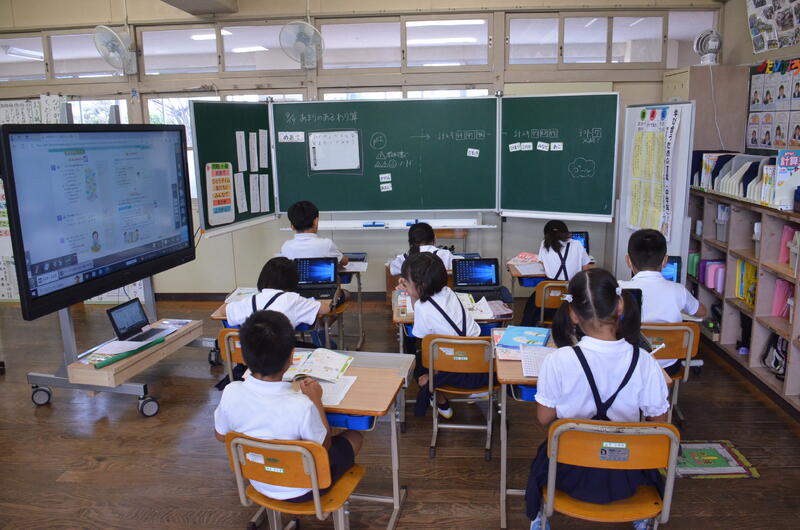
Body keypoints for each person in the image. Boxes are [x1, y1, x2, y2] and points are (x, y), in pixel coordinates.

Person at [525, 268, 669, 530]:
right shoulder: (645, 362)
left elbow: (544, 419)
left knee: (543, 457)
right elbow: (659, 424)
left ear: (573, 314)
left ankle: (539, 518)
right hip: (628, 475)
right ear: (620, 304)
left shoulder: (558, 360)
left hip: (568, 473)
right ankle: (642, 516)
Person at [214, 310, 363, 503]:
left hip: (257, 479)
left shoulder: (231, 391)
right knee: (355, 437)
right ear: (291, 358)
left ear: (244, 355)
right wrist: (316, 401)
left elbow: (221, 436)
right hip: (305, 488)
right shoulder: (302, 405)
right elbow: (323, 446)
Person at [398, 252, 482, 419]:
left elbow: (424, 340)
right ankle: (478, 392)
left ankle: (442, 404)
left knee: (416, 363)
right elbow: (421, 305)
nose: (404, 283)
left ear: (421, 285)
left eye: (407, 281)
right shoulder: (448, 292)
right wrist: (412, 291)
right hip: (479, 362)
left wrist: (432, 375)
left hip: (455, 367)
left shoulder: (423, 308)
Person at [618, 229, 707, 376]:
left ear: (628, 261)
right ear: (665, 261)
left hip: (630, 365)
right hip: (668, 366)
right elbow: (702, 312)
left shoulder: (619, 289)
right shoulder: (679, 290)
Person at [225, 257, 333, 327]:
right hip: (283, 352)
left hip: (253, 353)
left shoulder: (250, 301)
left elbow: (222, 311)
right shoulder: (293, 299)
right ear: (292, 280)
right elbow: (326, 309)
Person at [520, 220, 591, 326]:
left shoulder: (544, 244)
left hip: (548, 303)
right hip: (572, 302)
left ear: (546, 234)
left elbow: (542, 263)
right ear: (566, 232)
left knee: (531, 306)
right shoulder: (577, 244)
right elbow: (586, 269)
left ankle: (527, 330)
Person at [280, 201, 348, 265]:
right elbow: (344, 262)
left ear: (292, 226)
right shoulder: (326, 244)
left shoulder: (286, 246)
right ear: (316, 221)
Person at [389, 222, 459, 275]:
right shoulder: (445, 254)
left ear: (410, 241)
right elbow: (460, 264)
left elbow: (391, 268)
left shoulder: (404, 258)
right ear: (434, 238)